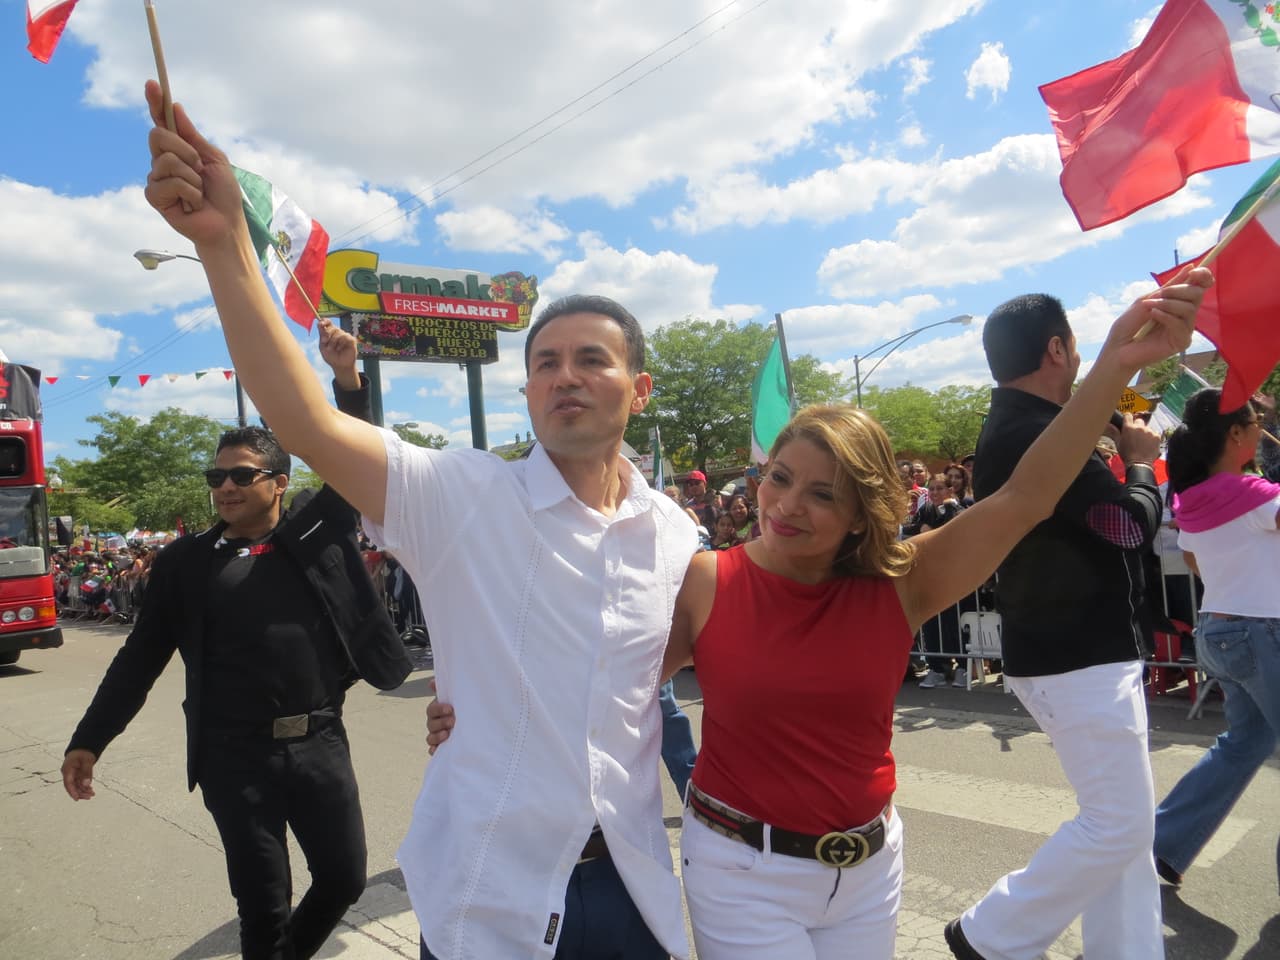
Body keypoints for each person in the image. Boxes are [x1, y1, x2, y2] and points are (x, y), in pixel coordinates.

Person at [428, 275, 1210, 957]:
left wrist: (1110, 365)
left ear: (862, 512)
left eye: (822, 493)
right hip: (739, 870)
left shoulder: (907, 582)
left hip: (869, 871)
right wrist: (475, 714)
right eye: (778, 478)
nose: (785, 506)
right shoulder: (707, 581)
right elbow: (601, 687)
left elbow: (1028, 496)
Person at [141, 83, 698, 960]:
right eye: (545, 363)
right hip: (492, 900)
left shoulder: (676, 532)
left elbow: (665, 672)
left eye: (592, 360)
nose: (565, 376)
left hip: (634, 888)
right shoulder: (464, 495)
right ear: (527, 393)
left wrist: (488, 701)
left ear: (639, 389)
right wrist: (224, 247)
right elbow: (307, 423)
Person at [60, 321, 411, 960]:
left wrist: (347, 382)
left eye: (243, 475)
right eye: (216, 476)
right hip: (231, 756)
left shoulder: (313, 528)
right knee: (262, 906)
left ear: (279, 482)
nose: (225, 486)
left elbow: (357, 454)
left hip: (319, 744)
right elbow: (139, 658)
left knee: (344, 878)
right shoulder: (184, 563)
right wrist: (90, 739)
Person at [945, 291, 1204, 960]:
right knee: (1119, 825)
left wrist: (1138, 410)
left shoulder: (1028, 420)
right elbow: (1124, 525)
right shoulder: (1034, 431)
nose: (1083, 355)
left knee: (1125, 830)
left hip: (1074, 650)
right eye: (1076, 345)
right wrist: (1143, 463)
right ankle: (988, 933)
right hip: (1076, 654)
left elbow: (1118, 426)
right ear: (1056, 349)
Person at [1152, 388, 1279, 893]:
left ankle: (1165, 842)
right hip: (1261, 631)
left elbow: (1194, 561)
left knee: (1244, 743)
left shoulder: (1193, 499)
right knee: (1243, 743)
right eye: (1255, 422)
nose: (1259, 429)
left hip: (1218, 632)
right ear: (1236, 435)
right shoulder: (1253, 496)